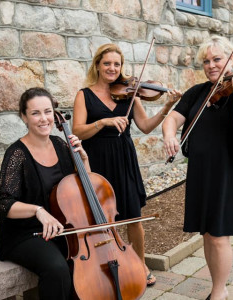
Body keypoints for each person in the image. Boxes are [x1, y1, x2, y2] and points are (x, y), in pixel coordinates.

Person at [72, 43, 181, 286]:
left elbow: (145, 125)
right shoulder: (84, 95)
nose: (112, 68)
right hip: (97, 159)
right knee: (105, 216)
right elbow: (77, 131)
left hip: (124, 158)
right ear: (98, 66)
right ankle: (112, 262)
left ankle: (139, 263)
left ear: (122, 67)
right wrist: (104, 122)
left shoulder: (130, 93)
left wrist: (166, 107)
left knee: (133, 215)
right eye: (107, 63)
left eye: (117, 64)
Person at [162, 35, 233, 300]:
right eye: (206, 61)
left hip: (230, 171)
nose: (211, 65)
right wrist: (170, 134)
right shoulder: (198, 92)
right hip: (201, 171)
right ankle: (220, 286)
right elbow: (172, 118)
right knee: (206, 233)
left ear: (232, 58)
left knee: (218, 235)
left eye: (217, 59)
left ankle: (218, 293)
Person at [0, 87, 90, 300]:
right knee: (57, 268)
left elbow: (86, 189)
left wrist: (83, 159)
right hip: (25, 233)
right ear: (24, 117)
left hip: (59, 227)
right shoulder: (17, 153)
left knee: (84, 261)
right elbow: (1, 202)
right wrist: (38, 211)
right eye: (35, 113)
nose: (43, 119)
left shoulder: (61, 145)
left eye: (47, 111)